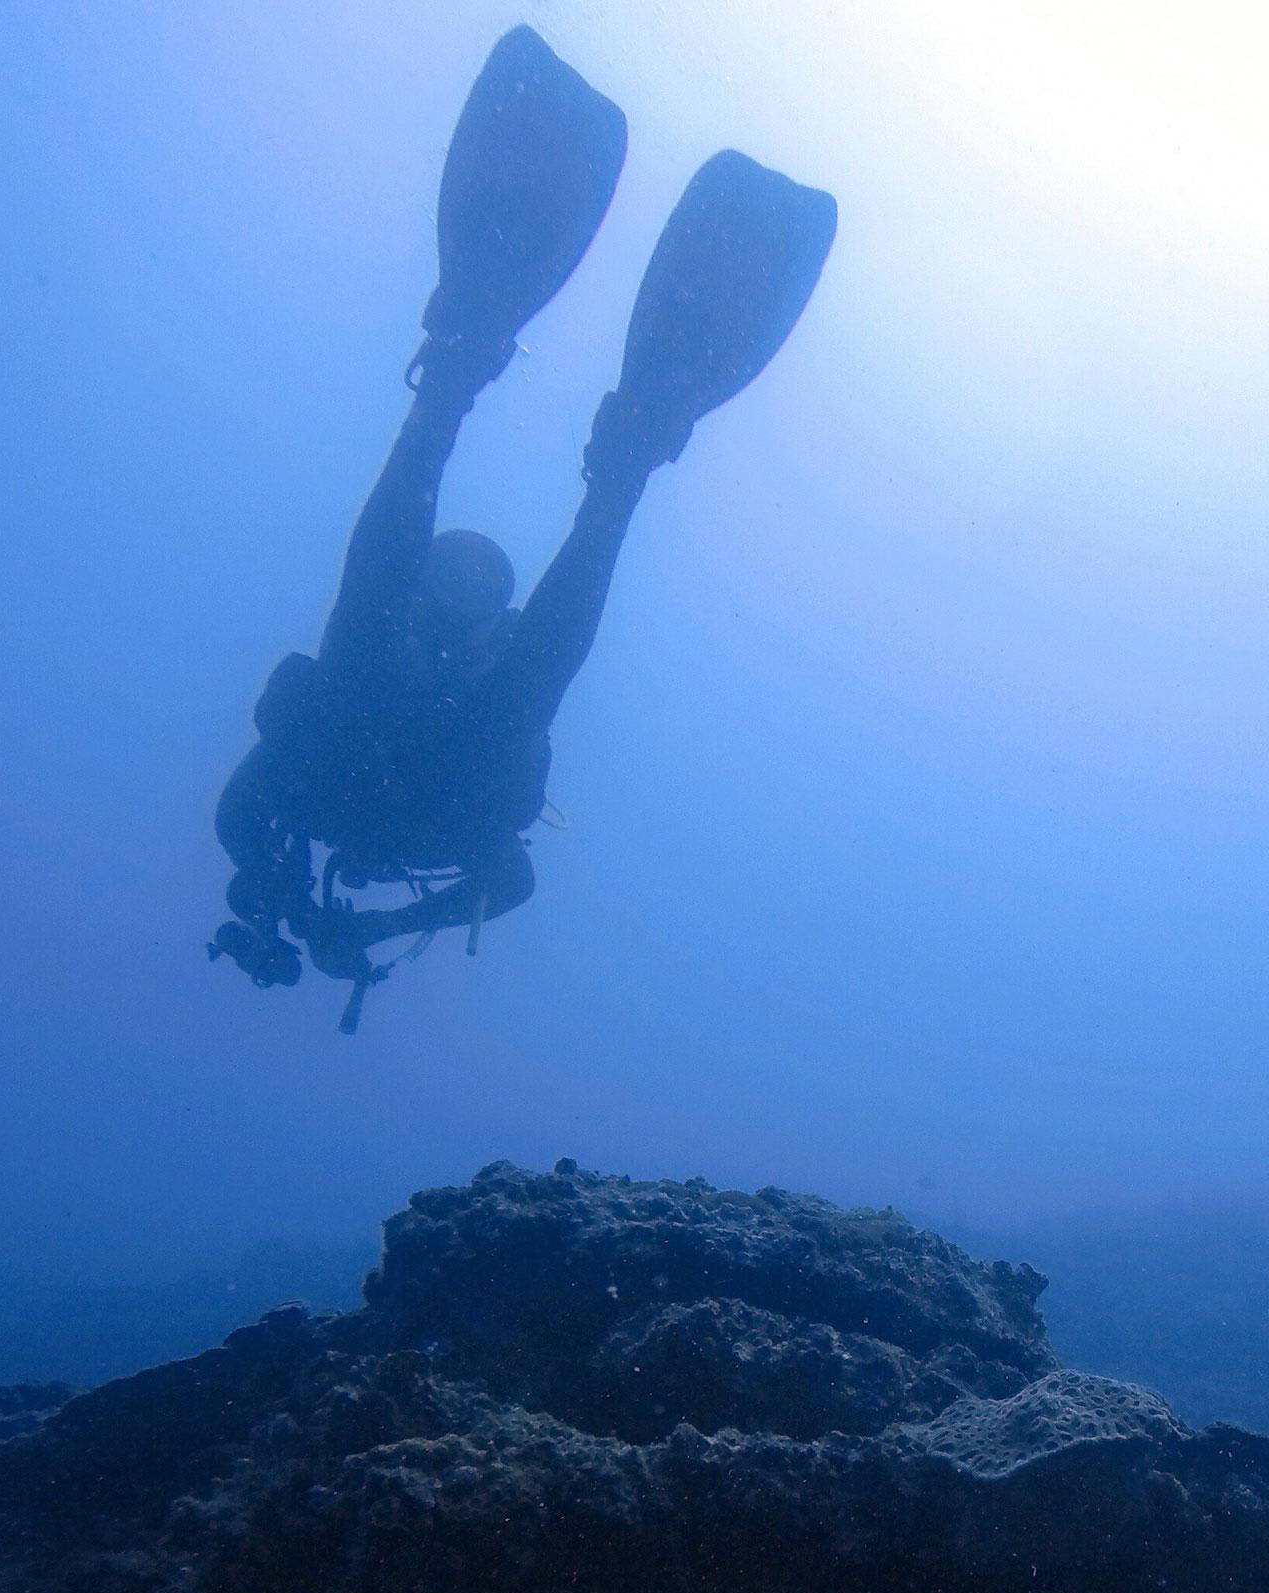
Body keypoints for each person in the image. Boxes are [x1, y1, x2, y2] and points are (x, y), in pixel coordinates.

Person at [210, 27, 836, 1030]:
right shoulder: (331, 792)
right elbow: (510, 881)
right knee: (502, 674)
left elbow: (243, 816)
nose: (454, 633)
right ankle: (564, 440)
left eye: (461, 621)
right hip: (455, 775)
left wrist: (306, 906)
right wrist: (358, 923)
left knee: (401, 637)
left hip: (387, 748)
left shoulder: (295, 799)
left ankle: (496, 408)